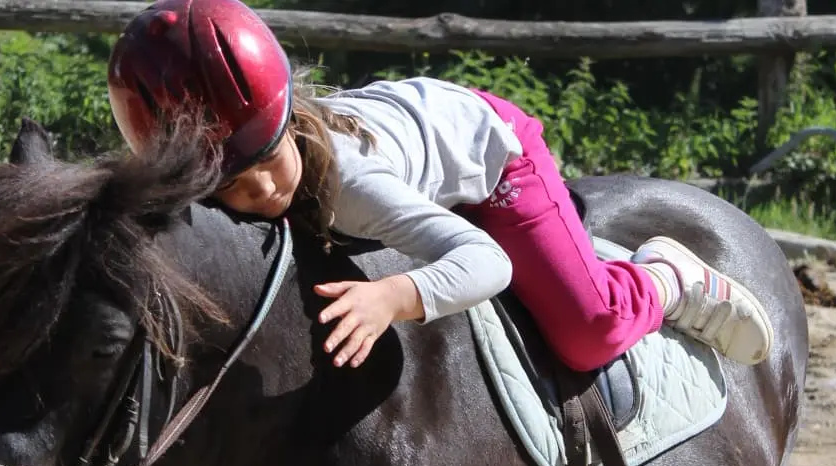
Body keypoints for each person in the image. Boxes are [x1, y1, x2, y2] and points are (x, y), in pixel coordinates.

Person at [106, 0, 774, 371]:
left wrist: (393, 297)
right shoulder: (231, 159)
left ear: (286, 121)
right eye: (230, 185)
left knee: (587, 332)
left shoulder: (351, 184)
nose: (260, 191)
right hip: (418, 127)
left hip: (492, 161)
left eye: (268, 160)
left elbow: (488, 262)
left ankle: (663, 279)